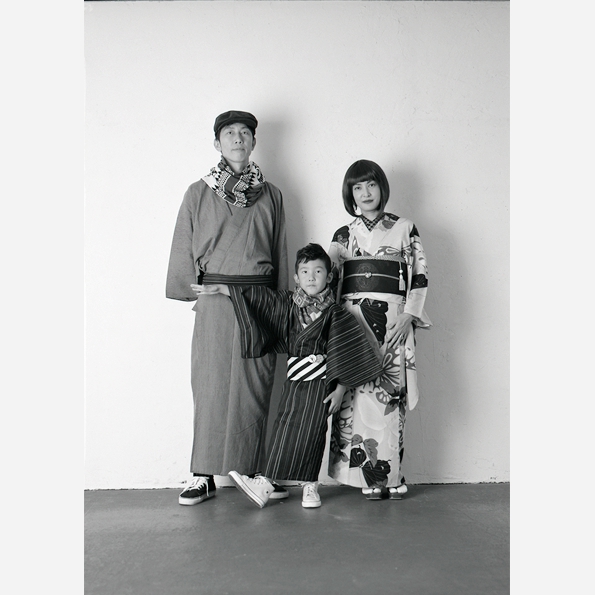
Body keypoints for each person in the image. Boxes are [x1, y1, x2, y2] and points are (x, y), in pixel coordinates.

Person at [192, 244, 384, 508]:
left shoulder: (335, 313)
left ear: (329, 276)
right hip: (294, 381)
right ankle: (265, 484)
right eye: (305, 272)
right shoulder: (288, 303)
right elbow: (260, 298)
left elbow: (344, 349)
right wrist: (225, 289)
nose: (311, 277)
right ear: (296, 277)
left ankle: (310, 486)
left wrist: (340, 389)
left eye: (318, 271)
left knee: (313, 432)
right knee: (284, 428)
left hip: (320, 384)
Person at [166, 110, 289, 506]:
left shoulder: (272, 195)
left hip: (260, 302)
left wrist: (283, 306)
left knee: (256, 387)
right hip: (216, 302)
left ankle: (253, 469)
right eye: (230, 133)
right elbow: (183, 243)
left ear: (253, 142)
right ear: (217, 143)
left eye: (245, 132)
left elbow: (279, 252)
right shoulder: (197, 193)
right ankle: (202, 475)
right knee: (211, 386)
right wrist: (190, 287)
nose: (238, 138)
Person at [327, 160, 432, 500]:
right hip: (352, 323)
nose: (365, 193)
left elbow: (419, 274)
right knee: (355, 395)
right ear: (350, 194)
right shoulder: (343, 235)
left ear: (381, 187)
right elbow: (330, 280)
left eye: (371, 184)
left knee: (390, 397)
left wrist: (409, 315)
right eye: (357, 187)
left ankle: (391, 475)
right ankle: (363, 478)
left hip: (393, 322)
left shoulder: (405, 228)